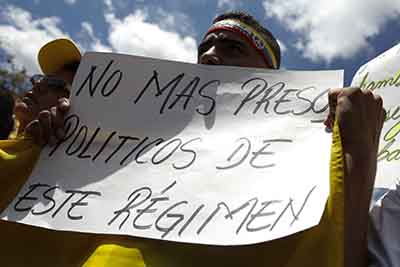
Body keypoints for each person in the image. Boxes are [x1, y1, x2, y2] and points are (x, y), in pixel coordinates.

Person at [0, 11, 384, 267]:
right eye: (205, 48)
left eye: (232, 48)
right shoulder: (128, 135)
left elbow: (337, 254)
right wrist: (43, 149)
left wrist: (359, 151)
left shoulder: (307, 161)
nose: (211, 56)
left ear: (271, 75)